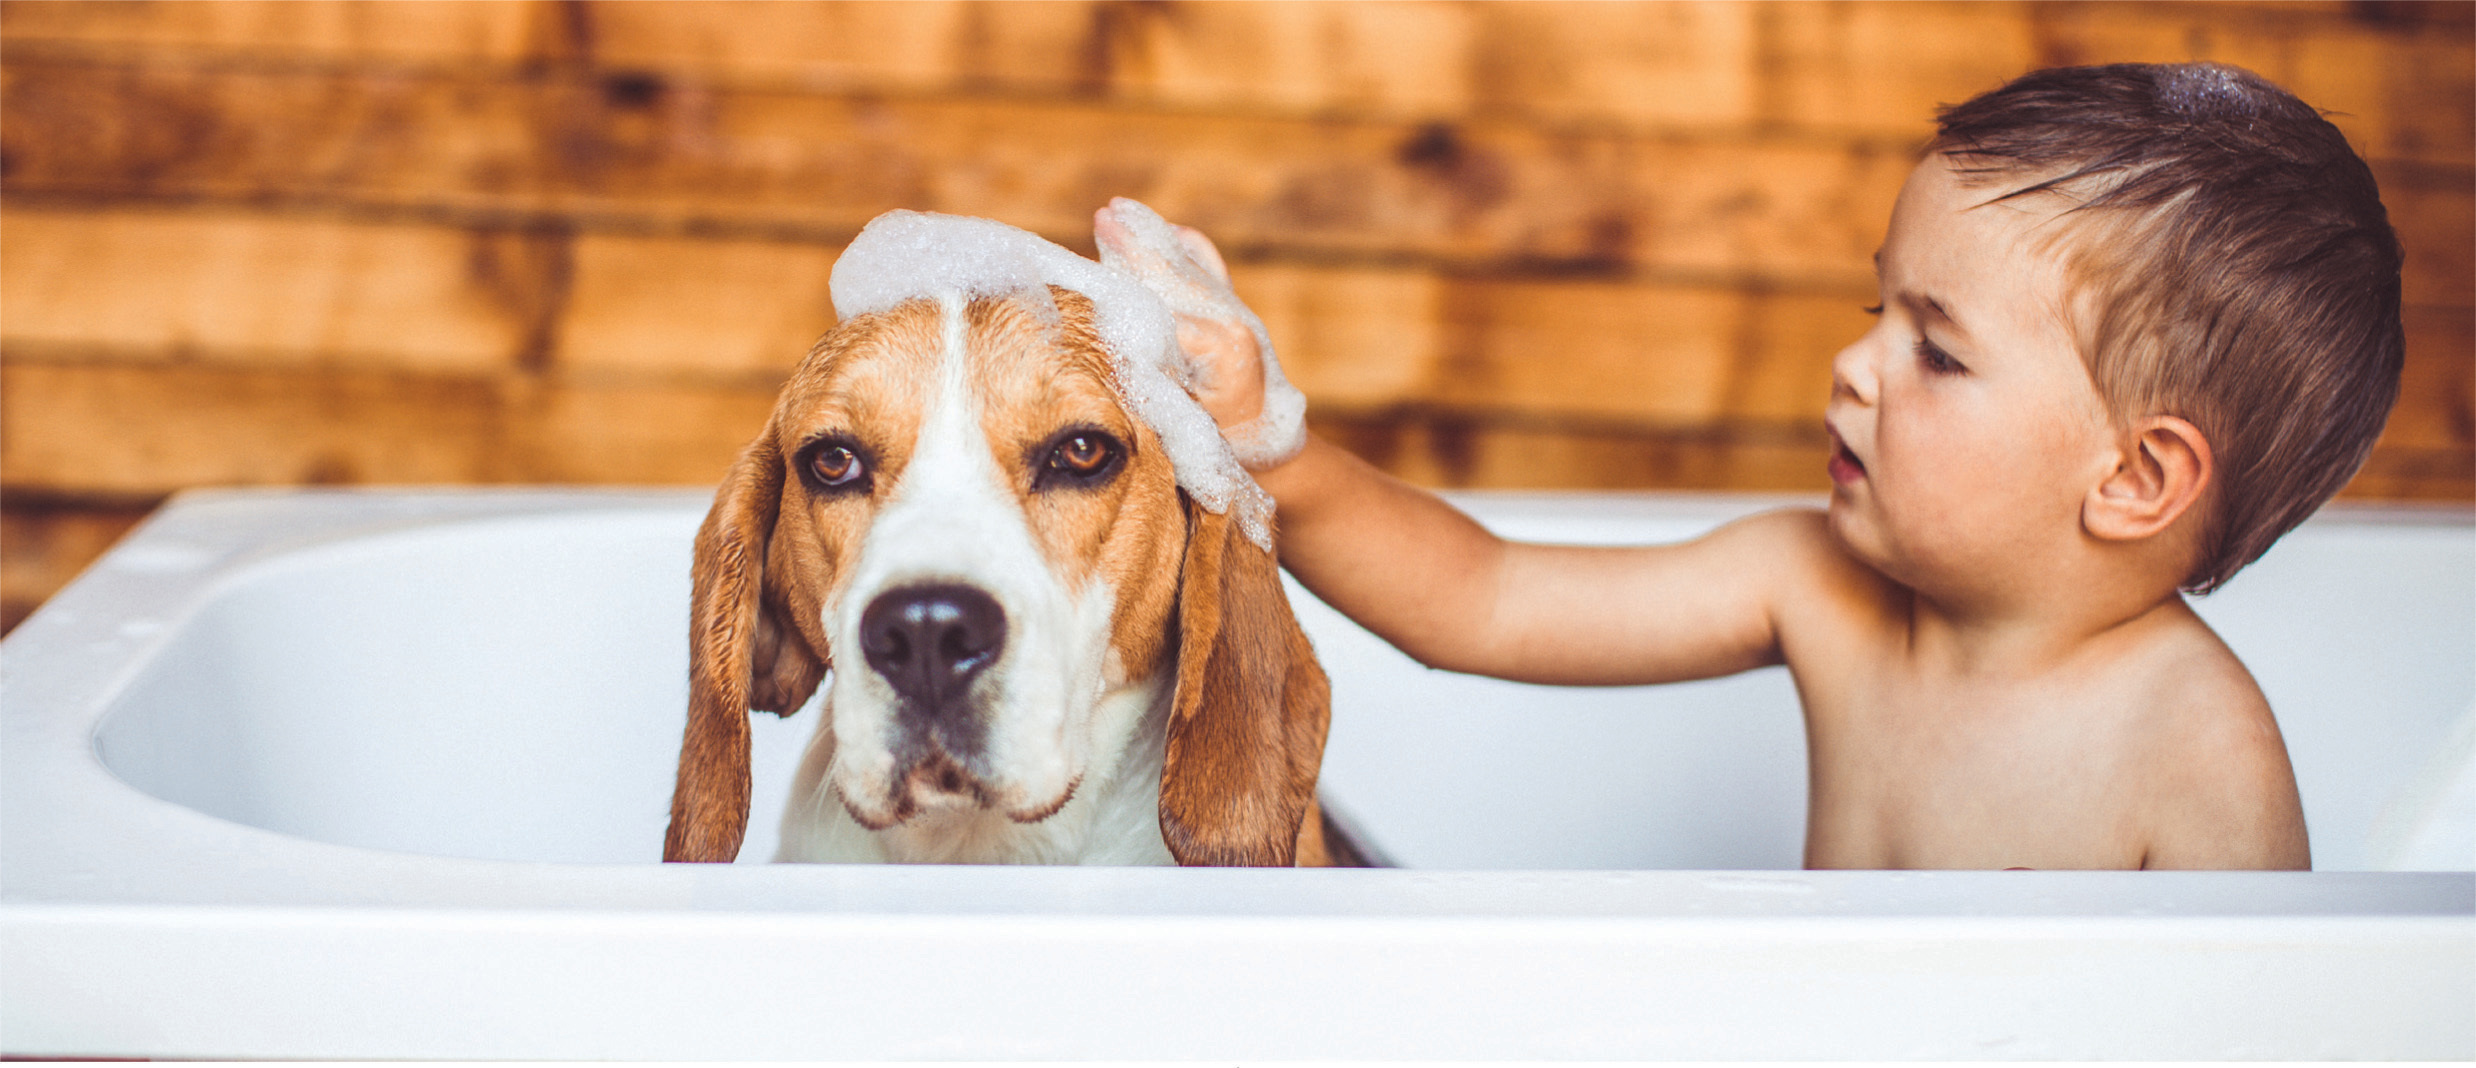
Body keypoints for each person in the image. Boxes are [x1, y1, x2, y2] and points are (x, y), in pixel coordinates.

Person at [1098, 63, 2404, 870]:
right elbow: (1485, 599)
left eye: (1936, 352)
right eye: (1877, 306)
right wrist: (1286, 452)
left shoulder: (2193, 748)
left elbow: (2257, 1016)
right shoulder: (1817, 584)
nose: (1856, 365)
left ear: (2133, 479)